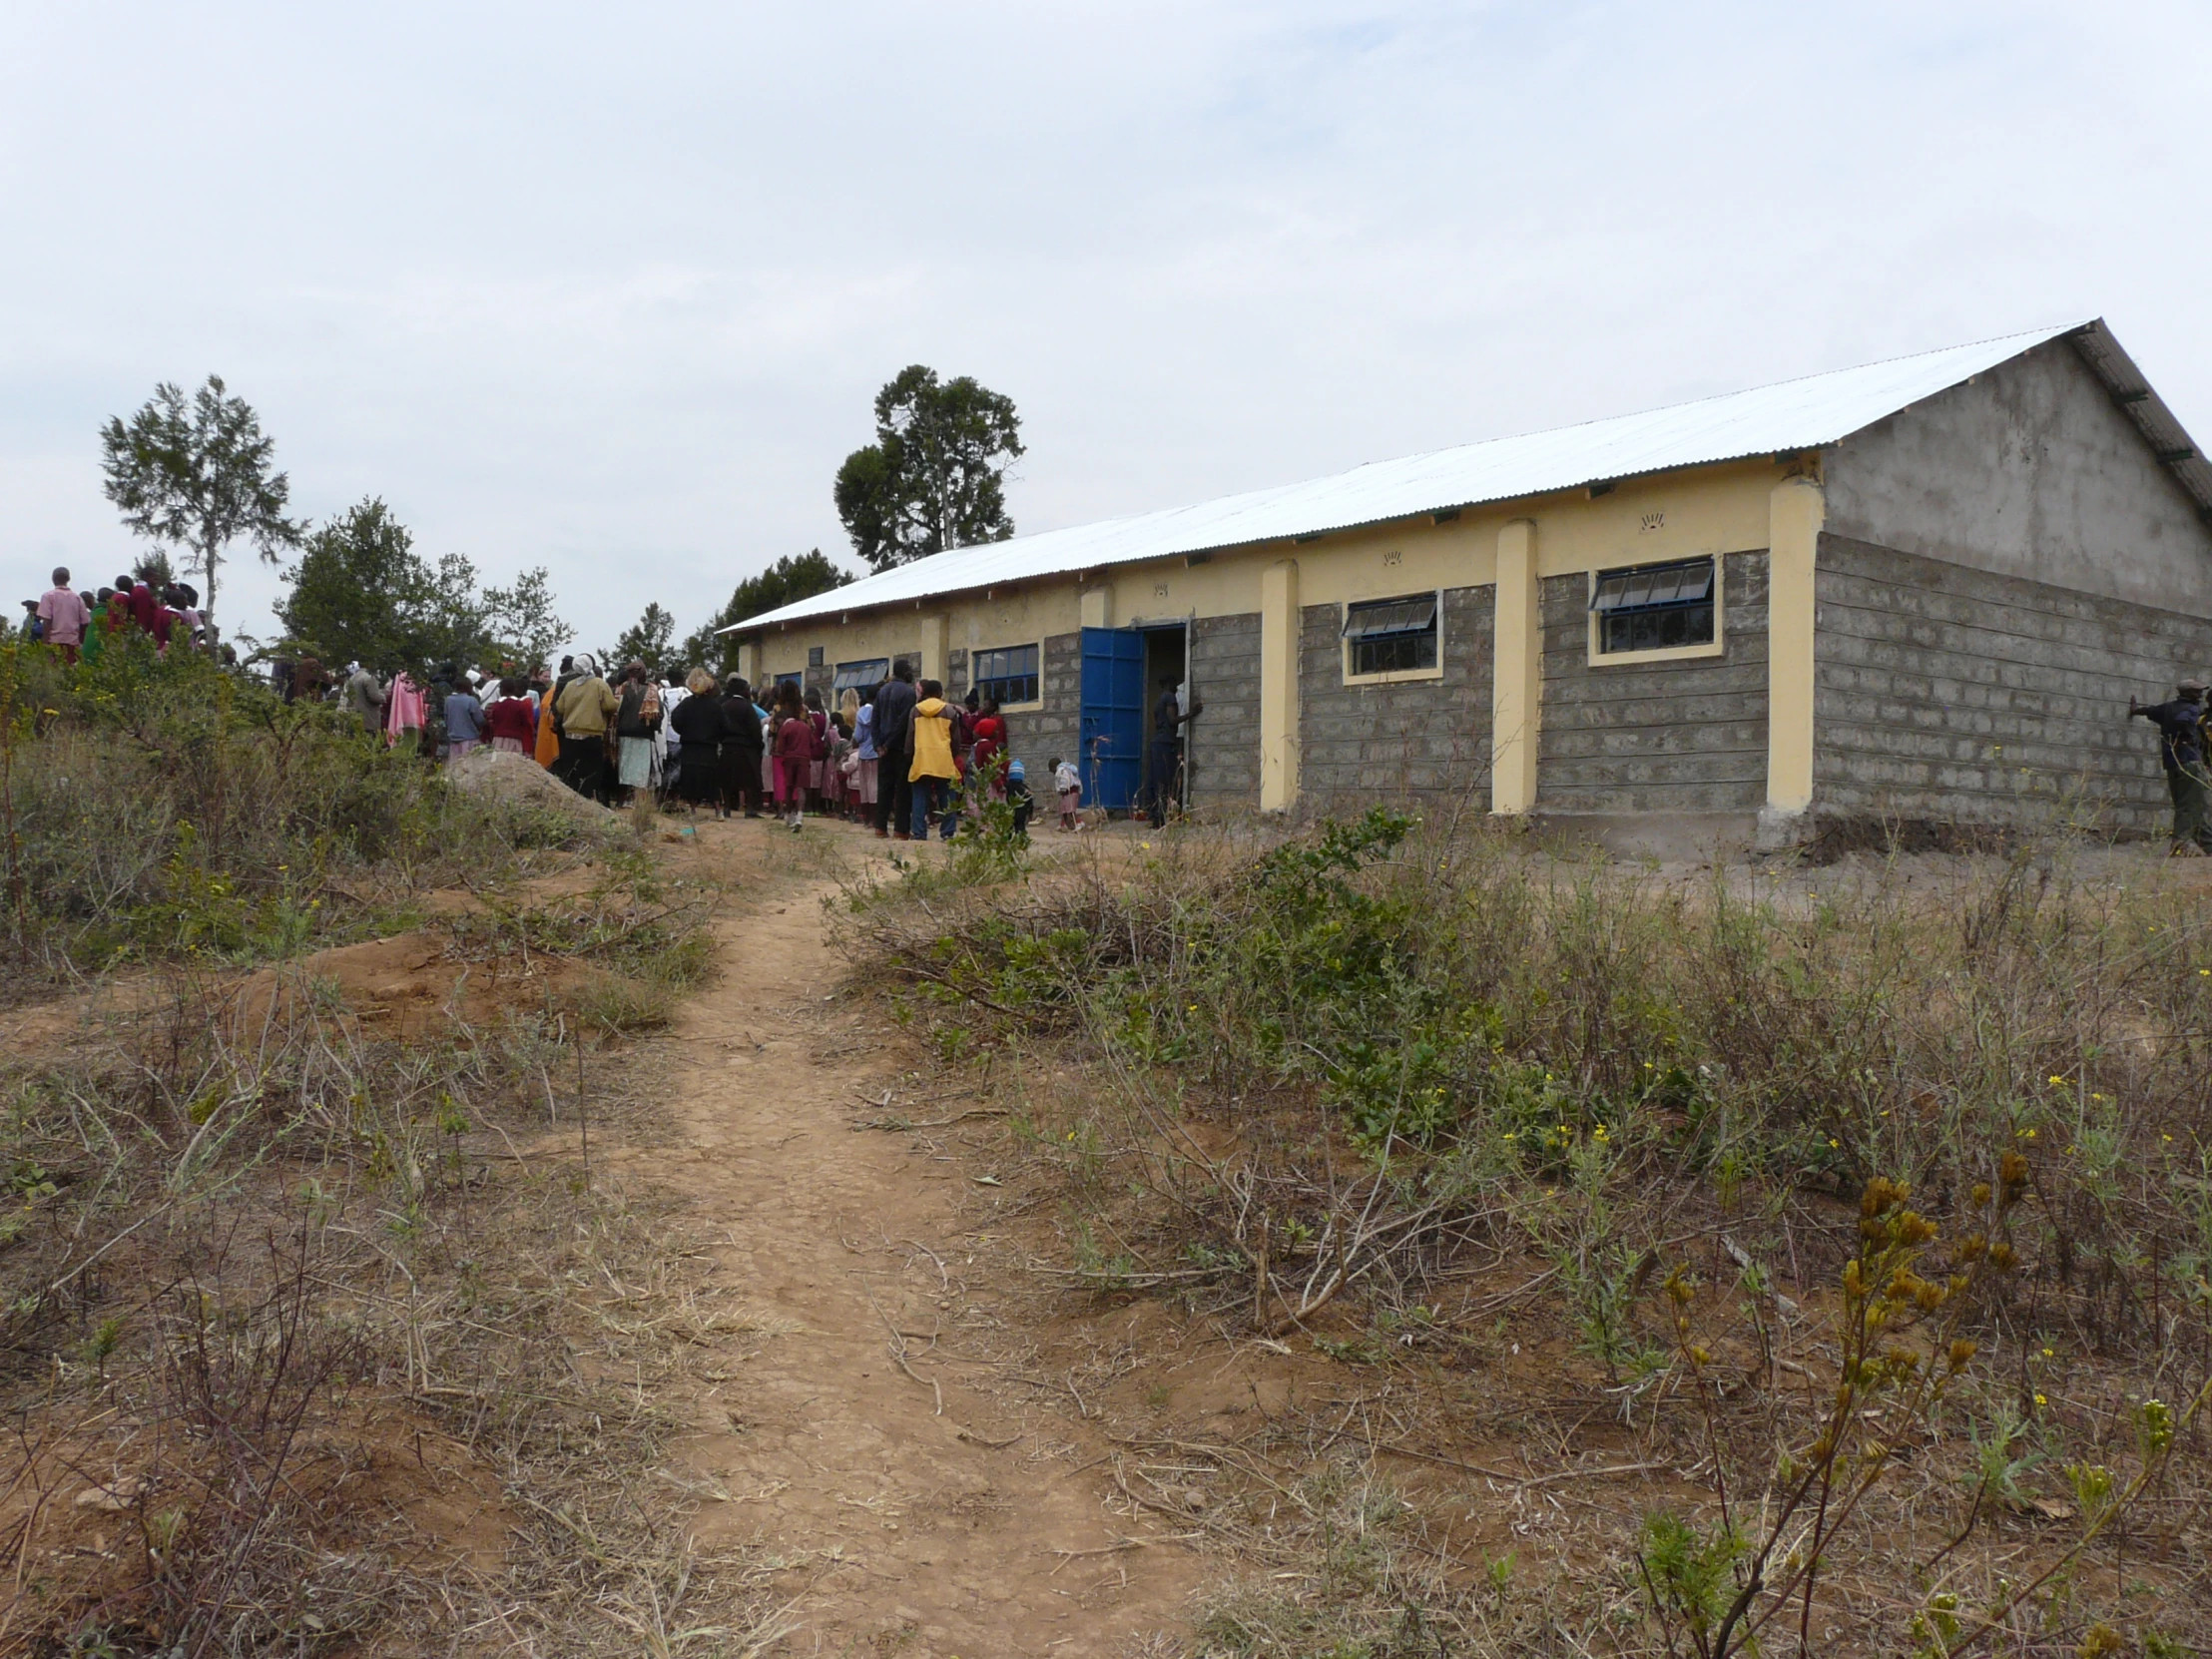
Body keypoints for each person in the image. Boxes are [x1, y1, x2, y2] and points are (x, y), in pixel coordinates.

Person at [2131, 680, 2212, 855]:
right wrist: (2188, 735)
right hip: (2190, 763)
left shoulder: (2167, 708)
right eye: (2197, 692)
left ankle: (2208, 845)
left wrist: (2135, 709)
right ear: (2189, 693)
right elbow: (2183, 720)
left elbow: (2147, 711)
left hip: (2172, 764)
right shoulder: (2191, 710)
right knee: (2190, 805)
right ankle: (2179, 845)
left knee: (2192, 804)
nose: (2200, 695)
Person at [554, 654, 619, 800]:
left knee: (573, 774)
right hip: (591, 738)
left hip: (569, 737)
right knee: (591, 773)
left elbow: (559, 707)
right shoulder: (599, 684)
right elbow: (610, 705)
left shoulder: (570, 685)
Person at [1145, 677, 1203, 829]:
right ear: (1166, 684)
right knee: (1164, 782)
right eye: (1173, 683)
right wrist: (1192, 713)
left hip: (1158, 743)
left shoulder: (1159, 700)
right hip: (1165, 743)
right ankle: (1160, 818)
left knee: (1155, 781)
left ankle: (1156, 817)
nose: (1176, 686)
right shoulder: (1169, 697)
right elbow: (1172, 720)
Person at [907, 679, 959, 840]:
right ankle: (947, 832)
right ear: (939, 693)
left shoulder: (915, 710)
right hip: (943, 757)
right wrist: (953, 755)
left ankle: (919, 832)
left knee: (920, 797)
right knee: (948, 797)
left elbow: (910, 737)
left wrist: (909, 756)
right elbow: (956, 740)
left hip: (922, 758)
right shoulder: (950, 711)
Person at [671, 670, 727, 815]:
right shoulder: (715, 706)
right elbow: (724, 726)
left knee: (691, 781)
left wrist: (683, 732)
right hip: (709, 749)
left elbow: (675, 719)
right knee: (711, 781)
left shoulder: (686, 704)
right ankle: (718, 811)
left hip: (690, 748)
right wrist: (716, 737)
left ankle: (693, 810)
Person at [873, 663, 918, 839]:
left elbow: (874, 719)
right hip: (900, 747)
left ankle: (880, 827)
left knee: (884, 788)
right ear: (906, 673)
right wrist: (889, 743)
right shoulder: (909, 692)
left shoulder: (882, 691)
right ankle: (901, 830)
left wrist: (878, 744)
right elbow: (902, 723)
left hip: (883, 748)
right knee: (902, 789)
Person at [718, 675, 767, 819]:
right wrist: (759, 745)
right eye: (748, 689)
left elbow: (719, 726)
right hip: (746, 748)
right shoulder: (748, 707)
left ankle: (726, 807)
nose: (749, 692)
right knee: (748, 780)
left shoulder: (724, 706)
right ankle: (749, 808)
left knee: (727, 779)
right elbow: (754, 729)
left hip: (727, 747)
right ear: (742, 691)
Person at [613, 662, 661, 804]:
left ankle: (622, 801)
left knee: (623, 770)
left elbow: (615, 713)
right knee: (640, 772)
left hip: (624, 735)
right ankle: (637, 803)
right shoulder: (652, 691)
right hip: (643, 736)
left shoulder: (620, 690)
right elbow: (657, 716)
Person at [35, 568, 91, 665]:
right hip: (73, 643)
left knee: (53, 673)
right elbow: (84, 622)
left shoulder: (48, 596)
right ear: (68, 579)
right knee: (70, 673)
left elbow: (47, 622)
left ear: (53, 579)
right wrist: (80, 641)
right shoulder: (77, 598)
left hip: (54, 642)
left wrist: (45, 644)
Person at [486, 678, 537, 754]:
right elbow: (525, 723)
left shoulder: (496, 705)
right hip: (515, 740)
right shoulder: (520, 705)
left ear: (501, 690)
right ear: (514, 689)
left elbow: (492, 721)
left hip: (498, 739)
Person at [443, 675, 487, 763]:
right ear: (468, 687)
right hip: (470, 739)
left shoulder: (448, 700)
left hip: (453, 740)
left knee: (455, 767)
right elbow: (480, 721)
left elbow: (446, 718)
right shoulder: (471, 700)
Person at [852, 690, 879, 823]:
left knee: (864, 785)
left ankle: (866, 817)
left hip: (863, 753)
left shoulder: (860, 713)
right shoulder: (880, 712)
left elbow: (858, 736)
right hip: (876, 753)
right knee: (874, 784)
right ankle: (875, 818)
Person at [341, 663, 386, 734]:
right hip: (368, 718)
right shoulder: (369, 678)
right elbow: (375, 697)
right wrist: (383, 697)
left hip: (354, 716)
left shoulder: (352, 678)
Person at [1052, 756, 1082, 831]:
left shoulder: (1062, 770)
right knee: (1064, 810)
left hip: (1070, 792)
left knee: (1070, 810)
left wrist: (1063, 789)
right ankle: (1063, 824)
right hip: (1068, 792)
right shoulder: (1066, 769)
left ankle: (1079, 823)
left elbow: (1064, 780)